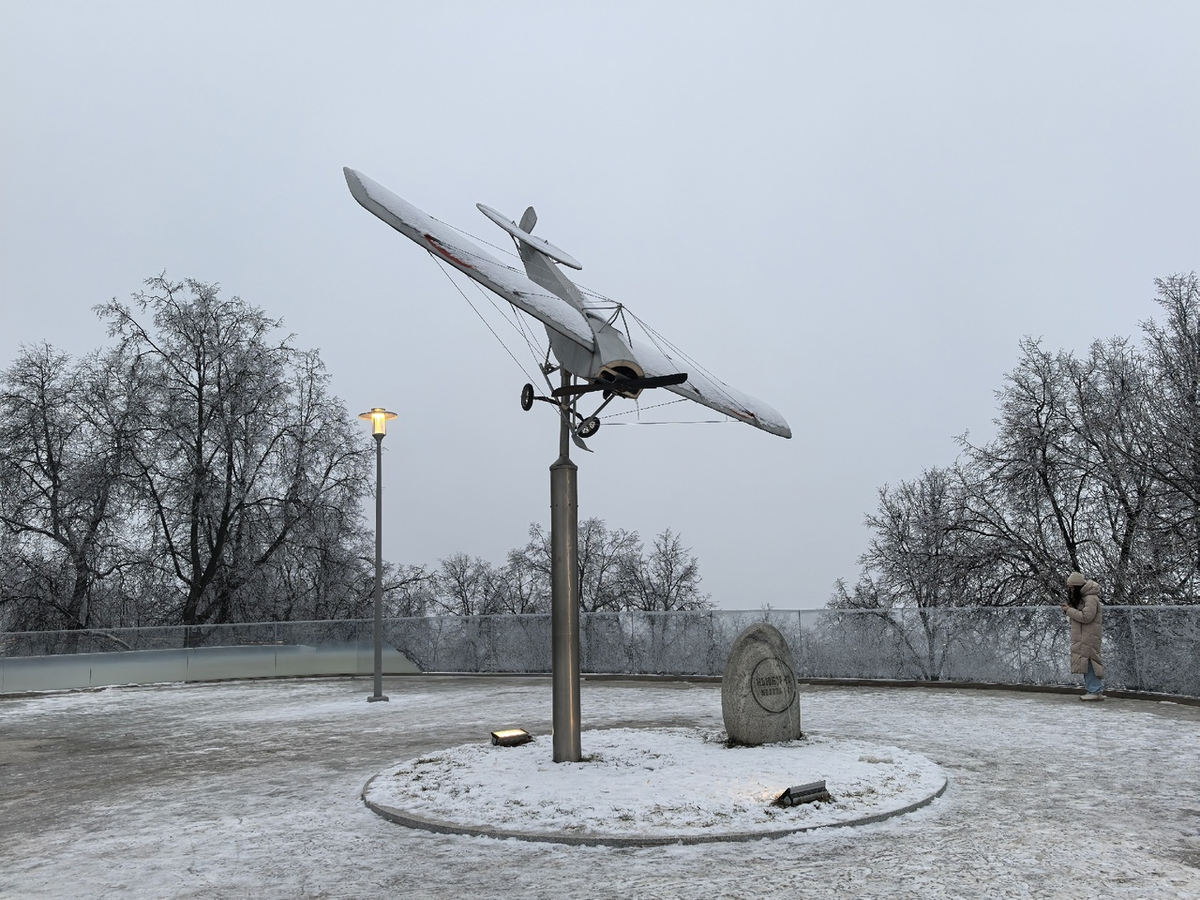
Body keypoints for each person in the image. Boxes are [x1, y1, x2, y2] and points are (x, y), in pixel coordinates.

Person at [1061, 571, 1105, 700]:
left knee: (1091, 662)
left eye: (1072, 588)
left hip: (1089, 635)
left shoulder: (1090, 598)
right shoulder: (1086, 598)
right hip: (1086, 635)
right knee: (1087, 662)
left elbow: (1086, 617)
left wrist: (1069, 610)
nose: (1071, 590)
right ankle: (1093, 690)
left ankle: (1095, 691)